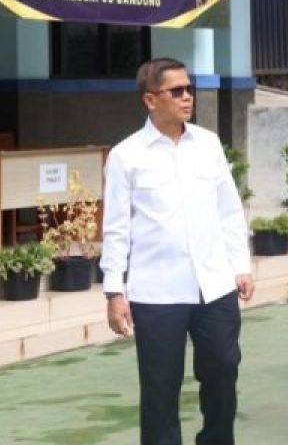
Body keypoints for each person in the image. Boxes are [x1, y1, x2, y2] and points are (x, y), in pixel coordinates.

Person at [100, 58, 253, 445]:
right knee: (160, 388)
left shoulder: (208, 143)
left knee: (222, 370)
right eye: (177, 91)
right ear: (151, 100)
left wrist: (241, 265)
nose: (188, 98)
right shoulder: (126, 156)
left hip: (214, 285)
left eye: (189, 89)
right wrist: (114, 291)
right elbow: (116, 228)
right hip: (157, 292)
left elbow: (229, 209)